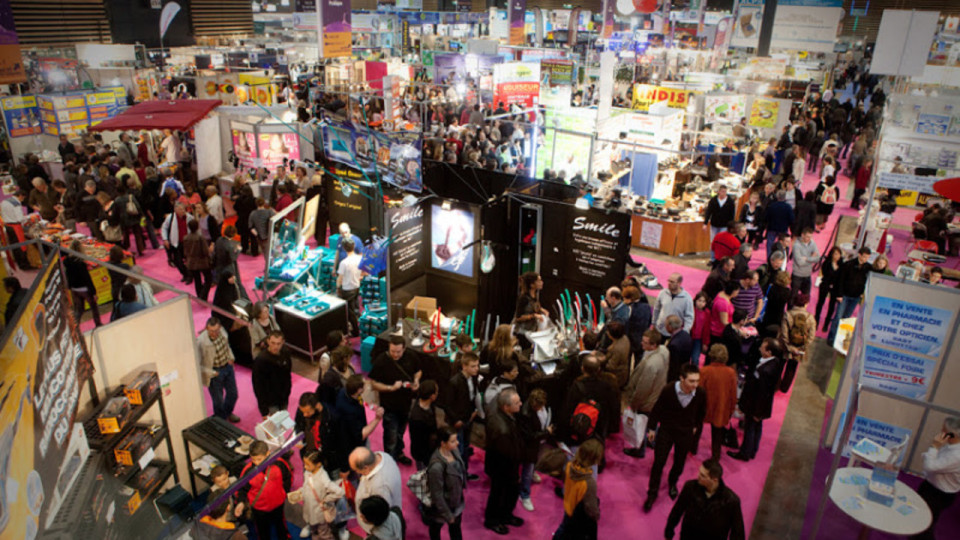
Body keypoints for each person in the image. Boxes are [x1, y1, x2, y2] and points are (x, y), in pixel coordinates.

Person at [644, 364, 707, 512]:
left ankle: (673, 483)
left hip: (685, 433)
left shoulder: (700, 393)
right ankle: (652, 493)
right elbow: (657, 408)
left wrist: (696, 426)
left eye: (697, 381)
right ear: (682, 378)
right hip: (666, 430)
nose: (695, 385)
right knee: (659, 463)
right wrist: (652, 428)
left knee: (679, 463)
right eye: (691, 381)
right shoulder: (669, 389)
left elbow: (702, 412)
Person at [369, 335, 422, 466]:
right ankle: (389, 462)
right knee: (390, 436)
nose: (395, 354)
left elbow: (418, 370)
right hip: (389, 406)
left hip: (406, 404)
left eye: (398, 351)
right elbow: (373, 384)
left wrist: (416, 381)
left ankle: (399, 453)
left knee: (400, 433)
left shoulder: (411, 356)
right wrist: (391, 388)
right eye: (392, 351)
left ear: (404, 349)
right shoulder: (382, 360)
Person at [729, 339, 782, 462]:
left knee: (751, 428)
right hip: (759, 406)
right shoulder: (774, 363)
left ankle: (745, 453)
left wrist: (757, 412)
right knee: (756, 427)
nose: (759, 348)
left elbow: (761, 393)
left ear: (769, 352)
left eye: (763, 347)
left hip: (754, 406)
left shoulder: (765, 371)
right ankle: (752, 450)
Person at [664, 459, 745, 540]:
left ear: (714, 480)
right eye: (699, 472)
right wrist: (669, 531)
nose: (698, 475)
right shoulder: (690, 487)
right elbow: (677, 510)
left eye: (703, 475)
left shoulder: (731, 501)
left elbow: (738, 532)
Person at [910, 417, 960, 540]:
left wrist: (934, 446)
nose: (940, 431)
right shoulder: (951, 445)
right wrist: (930, 454)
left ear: (951, 434)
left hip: (938, 494)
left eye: (943, 430)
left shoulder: (956, 455)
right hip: (931, 485)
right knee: (919, 515)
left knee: (926, 523)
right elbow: (936, 460)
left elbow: (930, 466)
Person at [484, 387, 525, 535]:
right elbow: (507, 455)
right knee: (498, 494)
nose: (521, 404)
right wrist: (515, 472)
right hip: (502, 467)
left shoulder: (500, 412)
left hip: (503, 464)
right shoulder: (502, 430)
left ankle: (506, 515)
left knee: (509, 493)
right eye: (517, 402)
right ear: (506, 407)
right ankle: (492, 521)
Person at [624, 329, 670, 459]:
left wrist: (634, 404)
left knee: (641, 427)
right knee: (651, 423)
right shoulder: (663, 351)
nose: (641, 343)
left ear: (653, 345)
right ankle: (651, 442)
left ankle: (639, 450)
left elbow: (643, 389)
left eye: (645, 342)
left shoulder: (651, 364)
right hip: (657, 395)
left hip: (647, 401)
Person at [235, 440, 289, 540]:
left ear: (267, 454)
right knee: (263, 532)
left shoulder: (279, 463)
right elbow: (241, 489)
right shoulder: (248, 471)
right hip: (259, 509)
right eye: (253, 459)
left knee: (281, 526)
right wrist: (241, 502)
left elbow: (288, 478)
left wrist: (284, 493)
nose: (256, 463)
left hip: (278, 504)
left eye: (259, 459)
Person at [553, 439, 604, 540]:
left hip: (568, 504)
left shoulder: (569, 466)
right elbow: (591, 508)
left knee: (563, 528)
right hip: (578, 516)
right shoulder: (589, 482)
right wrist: (596, 515)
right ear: (595, 460)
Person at [289, 450, 344, 540]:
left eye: (308, 465)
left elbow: (339, 492)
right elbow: (306, 486)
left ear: (318, 464)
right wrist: (300, 493)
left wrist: (326, 499)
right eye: (304, 464)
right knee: (314, 531)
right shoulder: (308, 472)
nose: (305, 467)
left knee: (324, 533)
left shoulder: (323, 478)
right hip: (309, 509)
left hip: (319, 512)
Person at [444, 352, 482, 481]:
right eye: (473, 366)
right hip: (458, 421)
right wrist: (456, 420)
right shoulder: (454, 382)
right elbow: (447, 404)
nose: (476, 369)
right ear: (464, 366)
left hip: (468, 418)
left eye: (477, 365)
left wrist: (474, 412)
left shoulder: (474, 378)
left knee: (465, 448)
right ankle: (456, 477)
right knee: (457, 451)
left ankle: (463, 473)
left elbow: (472, 397)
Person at [424, 427, 468, 540]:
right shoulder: (436, 467)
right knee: (436, 528)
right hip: (443, 508)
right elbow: (437, 495)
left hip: (455, 501)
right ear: (443, 443)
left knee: (456, 530)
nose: (457, 443)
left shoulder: (454, 451)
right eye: (453, 441)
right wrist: (448, 515)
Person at [335, 376, 383, 471]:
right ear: (359, 390)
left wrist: (370, 406)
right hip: (354, 445)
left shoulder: (344, 392)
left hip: (348, 434)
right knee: (363, 466)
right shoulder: (350, 411)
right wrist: (377, 419)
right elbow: (361, 435)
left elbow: (360, 401)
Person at [350, 447, 403, 534]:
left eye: (356, 470)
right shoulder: (381, 456)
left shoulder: (379, 488)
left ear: (366, 468)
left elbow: (380, 516)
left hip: (375, 528)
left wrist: (367, 521)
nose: (357, 473)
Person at [699, 345, 738, 461]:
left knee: (697, 428)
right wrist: (731, 410)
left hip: (705, 406)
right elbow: (733, 395)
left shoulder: (704, 371)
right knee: (717, 434)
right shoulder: (731, 373)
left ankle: (692, 448)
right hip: (721, 408)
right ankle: (716, 457)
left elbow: (699, 391)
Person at [827, 247, 873, 343]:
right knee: (838, 317)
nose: (865, 259)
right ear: (859, 255)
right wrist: (839, 295)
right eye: (864, 257)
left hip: (855, 297)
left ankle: (840, 338)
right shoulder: (848, 265)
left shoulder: (868, 268)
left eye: (867, 257)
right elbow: (840, 280)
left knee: (846, 318)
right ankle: (831, 338)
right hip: (845, 295)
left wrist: (862, 293)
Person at [518, 388, 552, 511]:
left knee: (535, 462)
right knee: (527, 469)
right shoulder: (525, 413)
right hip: (529, 445)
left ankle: (532, 473)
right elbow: (529, 436)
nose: (540, 407)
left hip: (540, 441)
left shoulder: (544, 406)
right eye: (538, 406)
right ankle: (524, 495)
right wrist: (546, 432)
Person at [252, 331, 293, 418]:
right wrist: (264, 410)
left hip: (283, 397)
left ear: (283, 342)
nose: (275, 346)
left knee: (282, 423)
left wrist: (287, 391)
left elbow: (288, 375)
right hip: (270, 401)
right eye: (273, 343)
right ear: (268, 341)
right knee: (273, 428)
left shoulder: (286, 353)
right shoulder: (261, 360)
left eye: (278, 344)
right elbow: (258, 386)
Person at [780, 294, 815, 392]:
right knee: (791, 368)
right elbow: (811, 337)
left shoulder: (788, 314)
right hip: (800, 348)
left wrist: (789, 347)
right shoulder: (810, 318)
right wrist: (801, 348)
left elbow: (784, 334)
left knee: (780, 365)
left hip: (786, 347)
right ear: (806, 304)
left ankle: (776, 384)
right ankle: (784, 388)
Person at [63, 240, 103, 327]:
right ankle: (98, 323)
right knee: (94, 306)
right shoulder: (81, 263)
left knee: (79, 310)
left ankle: (75, 326)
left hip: (74, 289)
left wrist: (70, 286)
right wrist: (93, 292)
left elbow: (67, 276)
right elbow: (87, 279)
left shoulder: (67, 262)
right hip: (84, 289)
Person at [294, 392, 337, 467]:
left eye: (308, 412)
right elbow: (298, 424)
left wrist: (344, 468)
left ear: (317, 406)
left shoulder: (331, 417)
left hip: (326, 461)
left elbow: (341, 442)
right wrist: (298, 436)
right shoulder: (301, 410)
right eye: (303, 412)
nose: (304, 415)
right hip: (308, 457)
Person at [409, 380, 442, 470]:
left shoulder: (429, 405)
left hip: (429, 448)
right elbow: (418, 441)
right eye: (436, 392)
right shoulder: (417, 417)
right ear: (432, 396)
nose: (438, 393)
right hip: (423, 454)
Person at [653, 273, 695, 339]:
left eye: (672, 282)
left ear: (679, 283)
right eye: (668, 281)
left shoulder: (687, 298)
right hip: (660, 330)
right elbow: (656, 309)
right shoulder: (662, 293)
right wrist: (654, 323)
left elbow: (689, 317)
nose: (669, 283)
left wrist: (685, 332)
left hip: (675, 333)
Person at [161, 202, 194, 282]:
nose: (182, 211)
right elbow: (164, 228)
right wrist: (165, 239)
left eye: (183, 209)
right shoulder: (170, 217)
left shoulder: (190, 217)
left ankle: (190, 276)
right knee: (177, 261)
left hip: (187, 243)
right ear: (175, 210)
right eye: (180, 209)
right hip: (176, 243)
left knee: (189, 261)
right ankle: (185, 274)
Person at [336, 238, 363, 337]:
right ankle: (358, 321)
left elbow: (340, 278)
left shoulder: (344, 263)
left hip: (347, 290)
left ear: (344, 248)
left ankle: (355, 331)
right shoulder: (359, 258)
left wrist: (338, 288)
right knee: (355, 306)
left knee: (349, 312)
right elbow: (363, 271)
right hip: (356, 287)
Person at [182, 219, 213, 300]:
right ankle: (203, 295)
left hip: (191, 262)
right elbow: (205, 251)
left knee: (197, 279)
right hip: (202, 262)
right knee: (208, 279)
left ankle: (200, 296)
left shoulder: (186, 238)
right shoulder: (200, 237)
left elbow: (185, 252)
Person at [815, 247, 843, 331]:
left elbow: (841, 277)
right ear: (832, 254)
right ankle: (816, 321)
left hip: (835, 287)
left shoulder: (841, 265)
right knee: (820, 303)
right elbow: (824, 273)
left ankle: (826, 324)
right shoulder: (827, 263)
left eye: (839, 254)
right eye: (835, 254)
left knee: (831, 306)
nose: (837, 256)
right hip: (825, 284)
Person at [600, 321, 631, 388]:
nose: (607, 333)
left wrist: (601, 360)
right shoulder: (624, 338)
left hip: (617, 375)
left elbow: (611, 366)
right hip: (624, 369)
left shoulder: (617, 349)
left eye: (608, 332)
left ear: (612, 335)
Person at [763, 191, 794, 257]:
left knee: (770, 244)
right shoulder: (788, 207)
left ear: (777, 197)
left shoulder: (771, 206)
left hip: (772, 228)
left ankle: (769, 258)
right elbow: (791, 219)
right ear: (785, 197)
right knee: (784, 244)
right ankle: (782, 257)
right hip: (783, 228)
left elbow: (766, 217)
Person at [790, 228, 819, 299]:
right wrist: (811, 258)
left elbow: (818, 258)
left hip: (807, 275)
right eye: (807, 237)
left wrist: (806, 258)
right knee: (793, 297)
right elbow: (800, 262)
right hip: (797, 275)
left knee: (806, 298)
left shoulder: (812, 243)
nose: (809, 239)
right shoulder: (796, 245)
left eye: (811, 237)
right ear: (802, 235)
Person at [665, 315, 693, 383]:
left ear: (670, 327)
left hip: (676, 376)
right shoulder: (686, 335)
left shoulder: (674, 345)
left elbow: (673, 367)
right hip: (685, 370)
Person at [690, 292, 710, 366]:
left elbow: (707, 329)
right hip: (690, 336)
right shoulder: (691, 310)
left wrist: (705, 343)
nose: (701, 303)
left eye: (703, 301)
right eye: (699, 300)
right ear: (695, 300)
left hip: (698, 339)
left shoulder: (707, 313)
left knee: (695, 358)